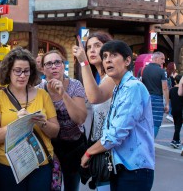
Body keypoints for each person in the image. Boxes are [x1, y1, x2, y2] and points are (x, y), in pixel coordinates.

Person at [80, 40, 155, 191]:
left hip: (134, 169)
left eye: (114, 55)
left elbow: (116, 133)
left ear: (128, 60)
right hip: (121, 167)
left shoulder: (133, 88)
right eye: (105, 56)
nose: (107, 59)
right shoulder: (119, 88)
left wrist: (89, 152)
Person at [0, 47, 60, 190]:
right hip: (7, 166)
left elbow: (55, 131)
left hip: (40, 164)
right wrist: (18, 123)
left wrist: (43, 123)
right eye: (17, 70)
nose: (22, 75)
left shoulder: (42, 95)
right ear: (8, 71)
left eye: (26, 71)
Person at [37, 50, 87, 191]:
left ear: (63, 65)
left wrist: (63, 94)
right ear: (43, 69)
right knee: (50, 187)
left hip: (73, 147)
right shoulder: (39, 90)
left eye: (57, 62)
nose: (54, 66)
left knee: (71, 186)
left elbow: (80, 118)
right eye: (49, 64)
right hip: (50, 147)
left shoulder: (75, 85)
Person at [72, 32, 115, 189]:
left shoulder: (111, 78)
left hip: (110, 151)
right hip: (101, 148)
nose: (91, 50)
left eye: (97, 46)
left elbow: (94, 97)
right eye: (89, 47)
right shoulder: (100, 77)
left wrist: (83, 62)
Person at [141, 51, 169, 138]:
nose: (164, 61)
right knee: (156, 122)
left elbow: (141, 83)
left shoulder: (144, 69)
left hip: (145, 98)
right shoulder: (161, 71)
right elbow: (165, 88)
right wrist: (167, 104)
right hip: (157, 100)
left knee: (145, 122)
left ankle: (144, 143)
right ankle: (150, 142)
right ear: (156, 59)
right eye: (162, 59)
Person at [169, 75, 183, 149]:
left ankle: (177, 139)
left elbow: (170, 98)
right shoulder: (181, 90)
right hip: (180, 109)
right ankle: (175, 140)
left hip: (174, 110)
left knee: (176, 125)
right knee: (178, 126)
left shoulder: (172, 90)